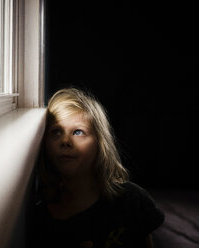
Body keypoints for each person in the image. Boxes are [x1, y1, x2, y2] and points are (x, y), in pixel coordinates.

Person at [27, 88, 164, 248]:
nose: (65, 141)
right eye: (56, 132)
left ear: (100, 144)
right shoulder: (41, 217)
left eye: (78, 132)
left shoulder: (133, 201)